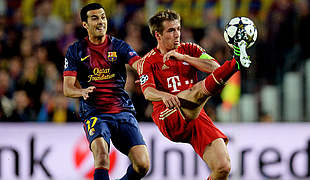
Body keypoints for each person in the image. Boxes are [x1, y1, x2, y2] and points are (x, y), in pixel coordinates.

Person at [137, 10, 251, 180]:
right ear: (158, 35)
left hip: (196, 114)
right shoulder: (147, 61)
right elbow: (147, 91)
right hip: (168, 115)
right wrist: (164, 95)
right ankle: (236, 62)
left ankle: (235, 62)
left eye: (178, 29)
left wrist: (184, 57)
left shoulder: (189, 48)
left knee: (223, 167)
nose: (177, 35)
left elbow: (214, 68)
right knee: (197, 91)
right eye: (171, 31)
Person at [63, 3, 149, 180]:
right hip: (95, 113)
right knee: (102, 157)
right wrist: (82, 92)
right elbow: (67, 88)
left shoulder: (119, 46)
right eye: (95, 18)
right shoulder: (76, 50)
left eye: (103, 17)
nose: (101, 21)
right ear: (85, 24)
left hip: (123, 111)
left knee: (142, 165)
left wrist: (145, 73)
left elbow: (139, 63)